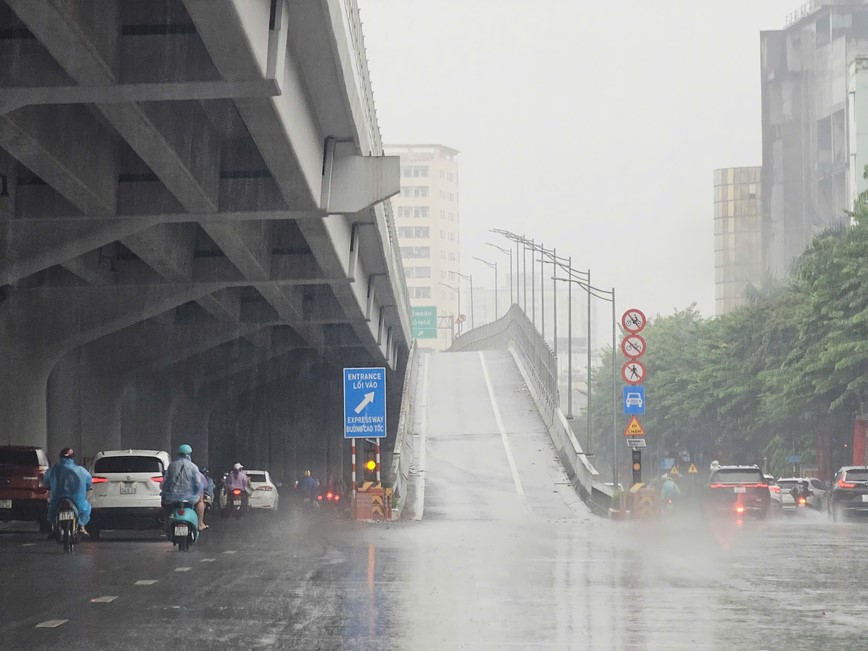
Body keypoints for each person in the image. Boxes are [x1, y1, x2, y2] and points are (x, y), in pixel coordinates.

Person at [42, 447, 92, 537]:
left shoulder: (53, 470)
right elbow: (88, 482)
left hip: (57, 499)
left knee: (52, 510)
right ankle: (81, 527)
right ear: (72, 458)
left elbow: (46, 481)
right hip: (77, 499)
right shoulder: (81, 470)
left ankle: (54, 528)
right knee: (85, 508)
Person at [160, 444, 205, 532]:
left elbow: (165, 483)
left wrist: (164, 492)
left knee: (165, 505)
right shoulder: (193, 467)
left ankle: (166, 524)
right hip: (190, 498)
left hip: (172, 498)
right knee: (201, 500)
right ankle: (200, 523)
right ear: (189, 454)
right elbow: (198, 484)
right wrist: (197, 493)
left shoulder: (171, 466)